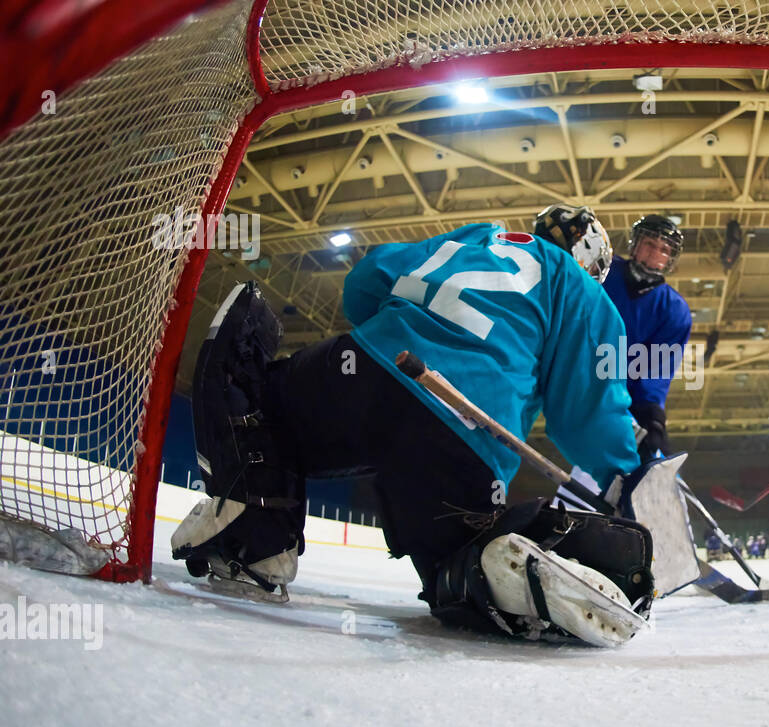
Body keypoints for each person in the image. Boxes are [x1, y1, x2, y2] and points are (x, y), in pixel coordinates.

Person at [171, 207, 664, 647]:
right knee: (456, 566)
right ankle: (486, 570)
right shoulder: (584, 293)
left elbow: (363, 282)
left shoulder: (473, 238)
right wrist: (627, 468)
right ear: (593, 263)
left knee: (266, 407)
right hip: (458, 435)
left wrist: (402, 324)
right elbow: (587, 418)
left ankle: (256, 539)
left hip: (359, 370)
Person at [601, 214, 693, 464]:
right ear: (635, 244)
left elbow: (655, 369)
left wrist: (651, 415)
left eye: (664, 249)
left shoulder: (674, 309)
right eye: (650, 244)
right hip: (574, 371)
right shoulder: (602, 272)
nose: (655, 253)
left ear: (670, 260)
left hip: (617, 395)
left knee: (645, 456)